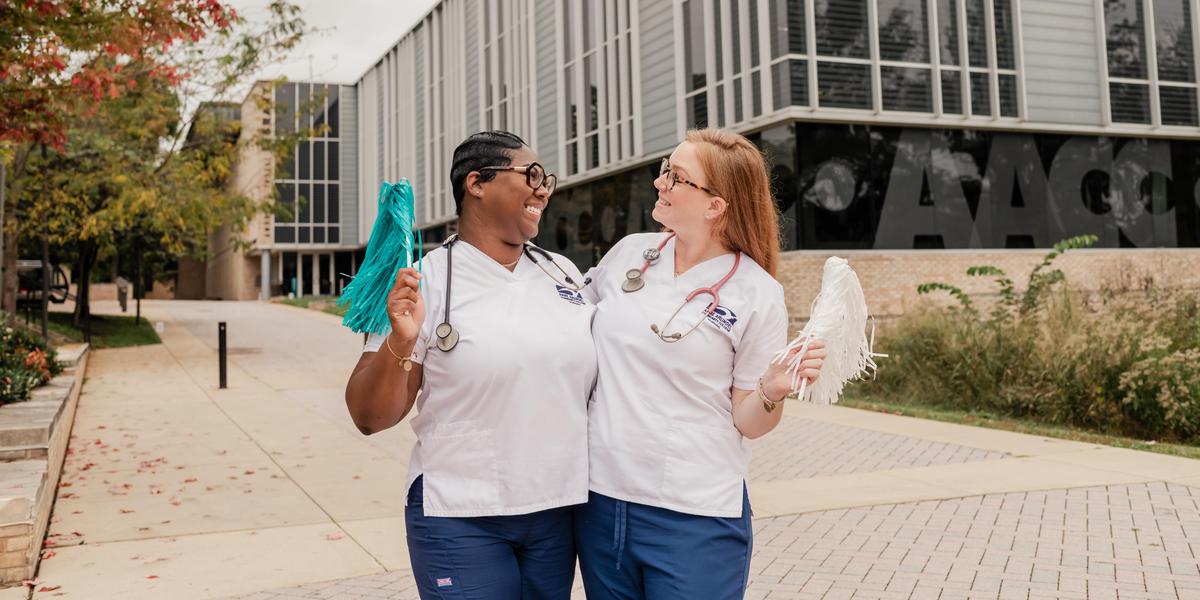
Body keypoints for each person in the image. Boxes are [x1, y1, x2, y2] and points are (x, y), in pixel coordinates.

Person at [575, 128, 826, 599]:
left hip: (694, 514)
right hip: (603, 504)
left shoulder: (756, 293)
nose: (660, 183)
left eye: (677, 177)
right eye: (665, 170)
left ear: (716, 205)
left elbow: (748, 422)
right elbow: (564, 326)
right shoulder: (630, 254)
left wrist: (771, 391)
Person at [344, 131, 596, 600]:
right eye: (531, 175)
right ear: (477, 183)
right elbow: (367, 416)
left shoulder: (563, 273)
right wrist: (400, 340)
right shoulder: (423, 281)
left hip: (556, 511)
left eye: (547, 180)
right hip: (459, 512)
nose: (543, 189)